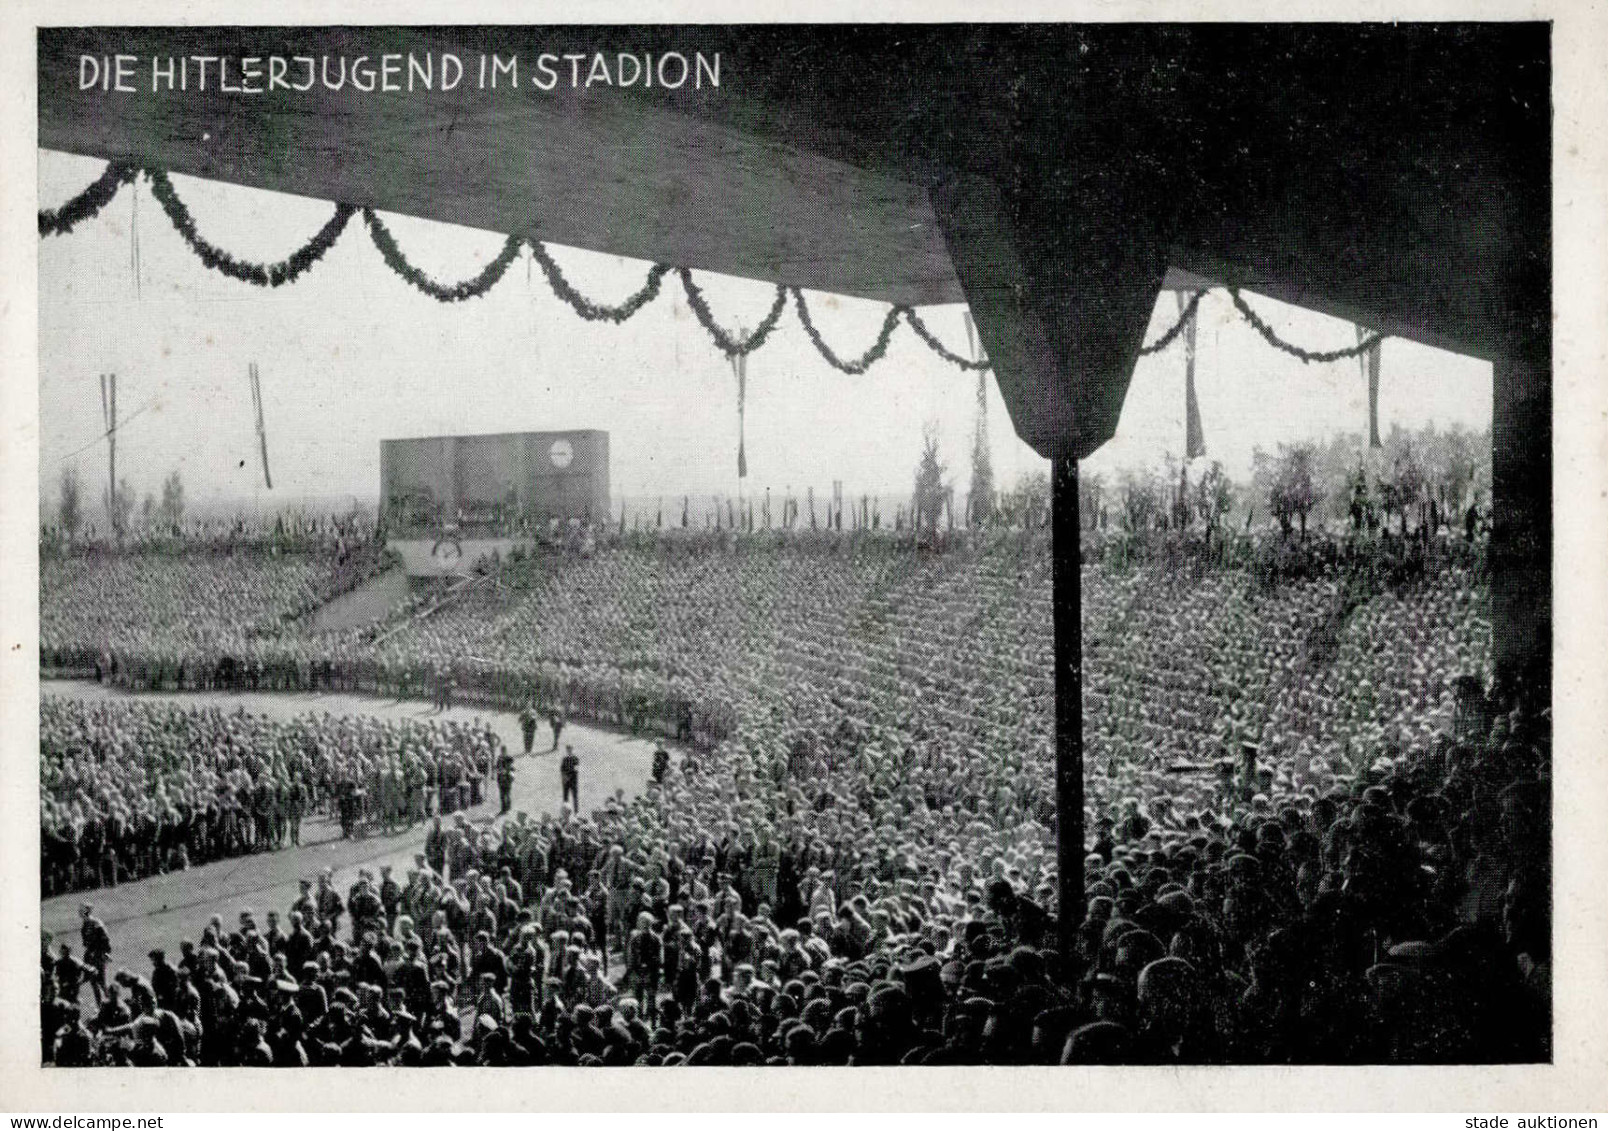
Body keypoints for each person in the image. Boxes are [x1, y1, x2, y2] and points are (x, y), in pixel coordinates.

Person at [560, 745, 580, 811]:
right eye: (568, 750)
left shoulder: (576, 759)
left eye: (570, 749)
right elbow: (562, 769)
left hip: (573, 781)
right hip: (566, 782)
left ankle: (576, 811)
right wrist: (564, 777)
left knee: (575, 797)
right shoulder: (564, 759)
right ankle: (566, 811)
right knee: (565, 797)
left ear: (572, 750)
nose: (569, 751)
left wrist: (568, 776)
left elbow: (576, 770)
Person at [496, 752, 516, 816]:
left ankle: (506, 808)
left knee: (506, 796)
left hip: (506, 784)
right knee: (504, 796)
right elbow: (499, 775)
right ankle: (504, 808)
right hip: (503, 783)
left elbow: (512, 777)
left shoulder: (510, 768)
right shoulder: (503, 767)